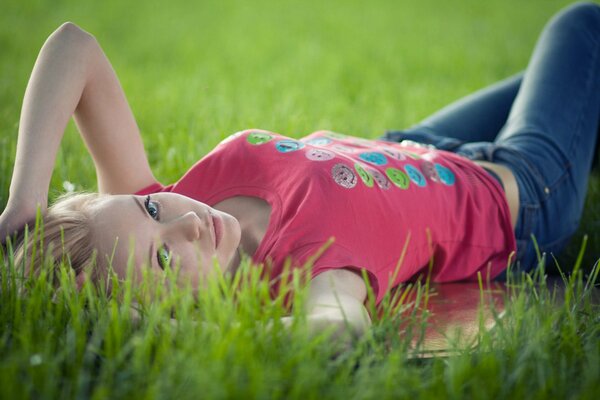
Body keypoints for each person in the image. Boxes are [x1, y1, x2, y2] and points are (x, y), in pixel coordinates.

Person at [1, 2, 599, 338]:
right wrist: (162, 335)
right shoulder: (302, 276)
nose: (185, 225)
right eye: (162, 257)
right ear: (166, 313)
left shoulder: (170, 199)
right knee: (581, 28)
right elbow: (339, 331)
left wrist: (23, 207)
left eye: (151, 212)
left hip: (413, 146)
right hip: (519, 192)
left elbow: (73, 46)